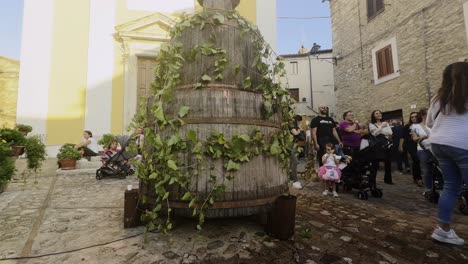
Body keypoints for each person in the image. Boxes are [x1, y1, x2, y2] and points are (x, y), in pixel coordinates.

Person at [427, 62, 468, 246]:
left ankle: (443, 230)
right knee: (452, 185)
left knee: (450, 186)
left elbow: (428, 123)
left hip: (439, 144)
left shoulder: (438, 98)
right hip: (462, 144)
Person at [411, 109, 432, 195]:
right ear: (424, 116)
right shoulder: (415, 127)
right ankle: (428, 189)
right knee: (427, 170)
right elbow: (414, 138)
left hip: (435, 149)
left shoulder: (433, 125)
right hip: (423, 150)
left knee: (438, 170)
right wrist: (422, 137)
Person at [369, 110, 393, 184]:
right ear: (373, 116)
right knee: (375, 165)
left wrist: (379, 130)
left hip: (385, 145)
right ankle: (372, 181)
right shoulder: (371, 124)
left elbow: (390, 132)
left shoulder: (386, 123)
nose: (379, 114)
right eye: (376, 113)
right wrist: (382, 127)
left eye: (379, 113)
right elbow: (374, 134)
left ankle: (388, 180)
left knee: (388, 163)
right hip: (376, 146)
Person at [399, 112, 422, 185]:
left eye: (415, 116)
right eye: (412, 117)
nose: (413, 118)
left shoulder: (422, 125)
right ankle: (418, 178)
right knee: (416, 160)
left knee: (418, 161)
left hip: (422, 144)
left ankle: (417, 177)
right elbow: (402, 137)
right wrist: (401, 146)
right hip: (410, 145)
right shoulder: (407, 126)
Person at [290, 115, 304, 189]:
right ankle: (295, 180)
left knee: (291, 162)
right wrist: (299, 130)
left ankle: (292, 179)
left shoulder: (295, 126)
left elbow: (301, 136)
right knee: (295, 162)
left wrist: (299, 130)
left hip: (294, 145)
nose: (299, 123)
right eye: (299, 121)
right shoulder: (291, 124)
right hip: (290, 145)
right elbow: (295, 133)